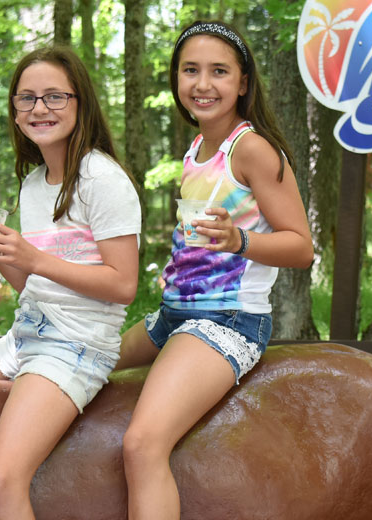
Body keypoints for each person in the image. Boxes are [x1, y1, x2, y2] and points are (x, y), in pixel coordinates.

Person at [116, 21, 314, 520]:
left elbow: (301, 247)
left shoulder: (251, 148)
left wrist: (240, 241)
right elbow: (202, 241)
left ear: (243, 83)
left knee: (141, 444)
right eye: (191, 71)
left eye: (219, 71)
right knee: (87, 359)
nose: (203, 84)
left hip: (228, 321)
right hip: (174, 314)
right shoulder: (196, 149)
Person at [0, 46, 141, 520]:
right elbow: (28, 283)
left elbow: (123, 286)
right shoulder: (35, 184)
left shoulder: (103, 179)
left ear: (81, 104)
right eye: (27, 99)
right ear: (14, 112)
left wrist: (34, 257)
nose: (39, 109)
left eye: (55, 96)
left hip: (76, 343)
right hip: (27, 332)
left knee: (0, 483)